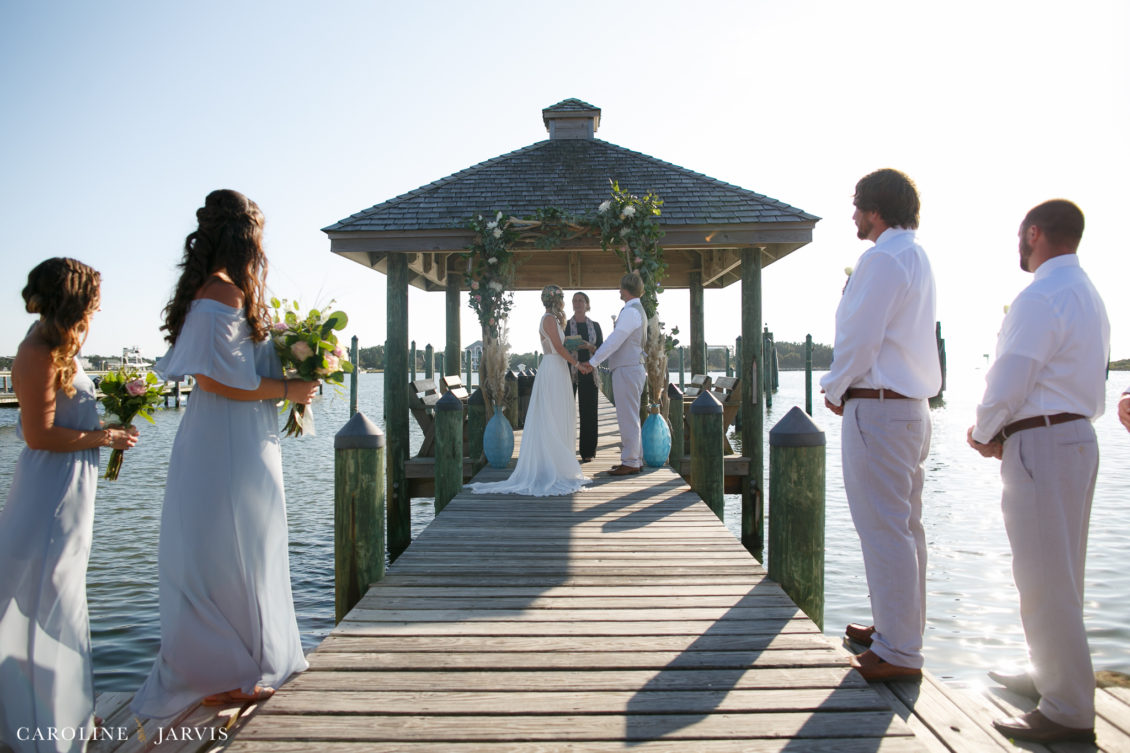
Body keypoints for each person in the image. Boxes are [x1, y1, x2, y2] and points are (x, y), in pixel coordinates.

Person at [131, 190, 317, 718]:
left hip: (234, 436)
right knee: (230, 548)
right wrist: (287, 391)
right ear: (245, 239)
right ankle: (226, 670)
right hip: (226, 441)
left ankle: (238, 662)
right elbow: (215, 379)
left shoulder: (222, 290)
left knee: (242, 546)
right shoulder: (222, 293)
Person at [967, 199, 1108, 745]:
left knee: (1043, 577)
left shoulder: (1040, 295)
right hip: (1075, 437)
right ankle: (1048, 673)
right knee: (1060, 571)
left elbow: (1011, 377)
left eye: (1020, 237)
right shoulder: (1088, 295)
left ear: (1033, 233)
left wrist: (983, 430)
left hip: (1042, 441)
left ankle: (1068, 706)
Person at [0, 258, 138, 753]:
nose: (97, 310)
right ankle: (42, 722)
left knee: (65, 598)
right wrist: (106, 435)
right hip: (48, 492)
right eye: (93, 301)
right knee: (45, 596)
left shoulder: (64, 348)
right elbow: (38, 436)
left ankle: (70, 711)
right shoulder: (35, 353)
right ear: (74, 300)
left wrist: (112, 432)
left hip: (73, 487)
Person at [819, 169, 941, 681]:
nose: (853, 215)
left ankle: (898, 652)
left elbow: (861, 338)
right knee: (906, 527)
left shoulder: (883, 259)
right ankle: (899, 630)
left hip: (880, 406)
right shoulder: (915, 256)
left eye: (858, 206)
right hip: (910, 408)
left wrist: (833, 386)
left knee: (882, 526)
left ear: (876, 209)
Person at [468, 285, 590, 496]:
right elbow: (558, 349)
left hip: (558, 368)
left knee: (559, 414)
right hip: (553, 368)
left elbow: (560, 345)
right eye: (562, 298)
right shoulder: (549, 319)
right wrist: (577, 365)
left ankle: (559, 462)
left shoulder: (553, 318)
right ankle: (550, 466)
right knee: (551, 415)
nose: (564, 302)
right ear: (556, 300)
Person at [579, 272, 647, 476]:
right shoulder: (636, 309)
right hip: (631, 366)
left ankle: (631, 461)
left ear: (625, 290)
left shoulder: (630, 312)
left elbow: (615, 340)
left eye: (620, 287)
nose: (619, 290)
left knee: (627, 416)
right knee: (631, 415)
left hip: (627, 367)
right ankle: (635, 457)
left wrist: (592, 362)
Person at [566, 291, 604, 462]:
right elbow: (561, 348)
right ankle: (565, 451)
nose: (577, 303)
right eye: (575, 300)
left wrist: (589, 346)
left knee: (589, 412)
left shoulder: (595, 326)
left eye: (581, 300)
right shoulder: (565, 325)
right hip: (570, 371)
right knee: (566, 412)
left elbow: (602, 351)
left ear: (587, 305)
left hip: (590, 370)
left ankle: (588, 452)